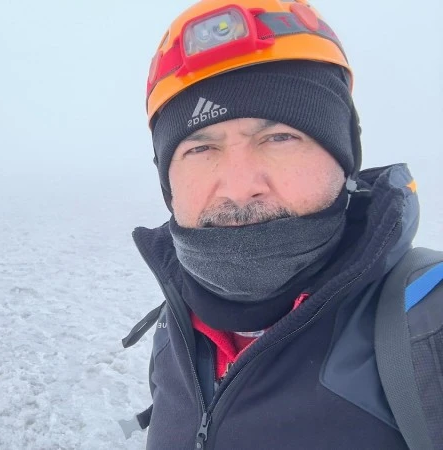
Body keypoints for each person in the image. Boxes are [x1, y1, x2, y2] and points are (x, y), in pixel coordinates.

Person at [127, 0, 443, 448]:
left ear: (344, 159)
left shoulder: (428, 329)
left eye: (279, 138)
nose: (239, 188)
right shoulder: (175, 328)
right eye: (200, 149)